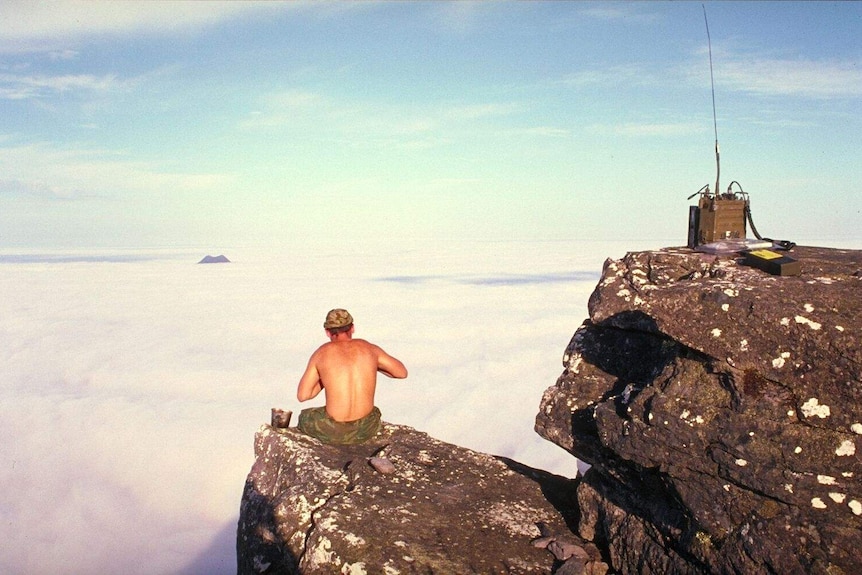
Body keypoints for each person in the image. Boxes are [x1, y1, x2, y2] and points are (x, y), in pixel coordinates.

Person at [296, 308, 408, 445]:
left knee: (305, 417)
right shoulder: (369, 348)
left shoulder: (321, 353)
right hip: (367, 428)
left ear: (327, 332)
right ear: (352, 328)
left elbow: (303, 395)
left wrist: (325, 378)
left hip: (334, 431)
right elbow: (401, 372)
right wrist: (374, 366)